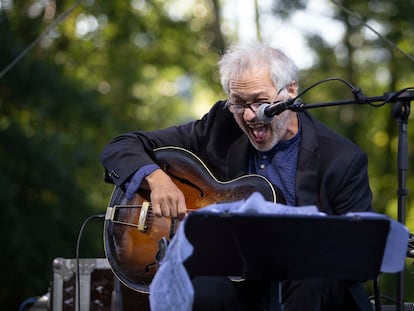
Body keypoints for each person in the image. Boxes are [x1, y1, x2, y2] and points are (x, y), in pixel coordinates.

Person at [100, 43, 373, 311]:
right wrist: (157, 180)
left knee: (308, 281)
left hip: (306, 283)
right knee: (194, 291)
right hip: (238, 280)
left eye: (260, 102)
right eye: (238, 103)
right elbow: (121, 146)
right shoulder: (222, 124)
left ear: (290, 90)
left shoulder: (341, 159)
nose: (250, 115)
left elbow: (362, 260)